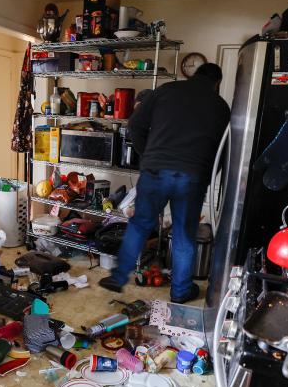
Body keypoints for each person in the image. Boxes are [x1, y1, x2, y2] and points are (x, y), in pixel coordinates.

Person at [99, 63, 231, 302]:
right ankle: (180, 292)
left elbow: (134, 125)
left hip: (155, 170)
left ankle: (118, 277)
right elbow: (222, 151)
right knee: (183, 235)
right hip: (192, 176)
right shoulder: (221, 106)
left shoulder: (166, 90)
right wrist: (209, 174)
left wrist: (148, 154)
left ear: (192, 75)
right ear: (217, 83)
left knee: (139, 224)